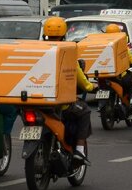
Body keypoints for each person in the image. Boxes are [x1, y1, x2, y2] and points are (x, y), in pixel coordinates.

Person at [41, 17, 95, 163]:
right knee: (84, 111)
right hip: (60, 104)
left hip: (37, 103)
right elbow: (79, 77)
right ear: (64, 34)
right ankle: (79, 150)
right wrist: (90, 87)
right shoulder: (67, 52)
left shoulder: (37, 50)